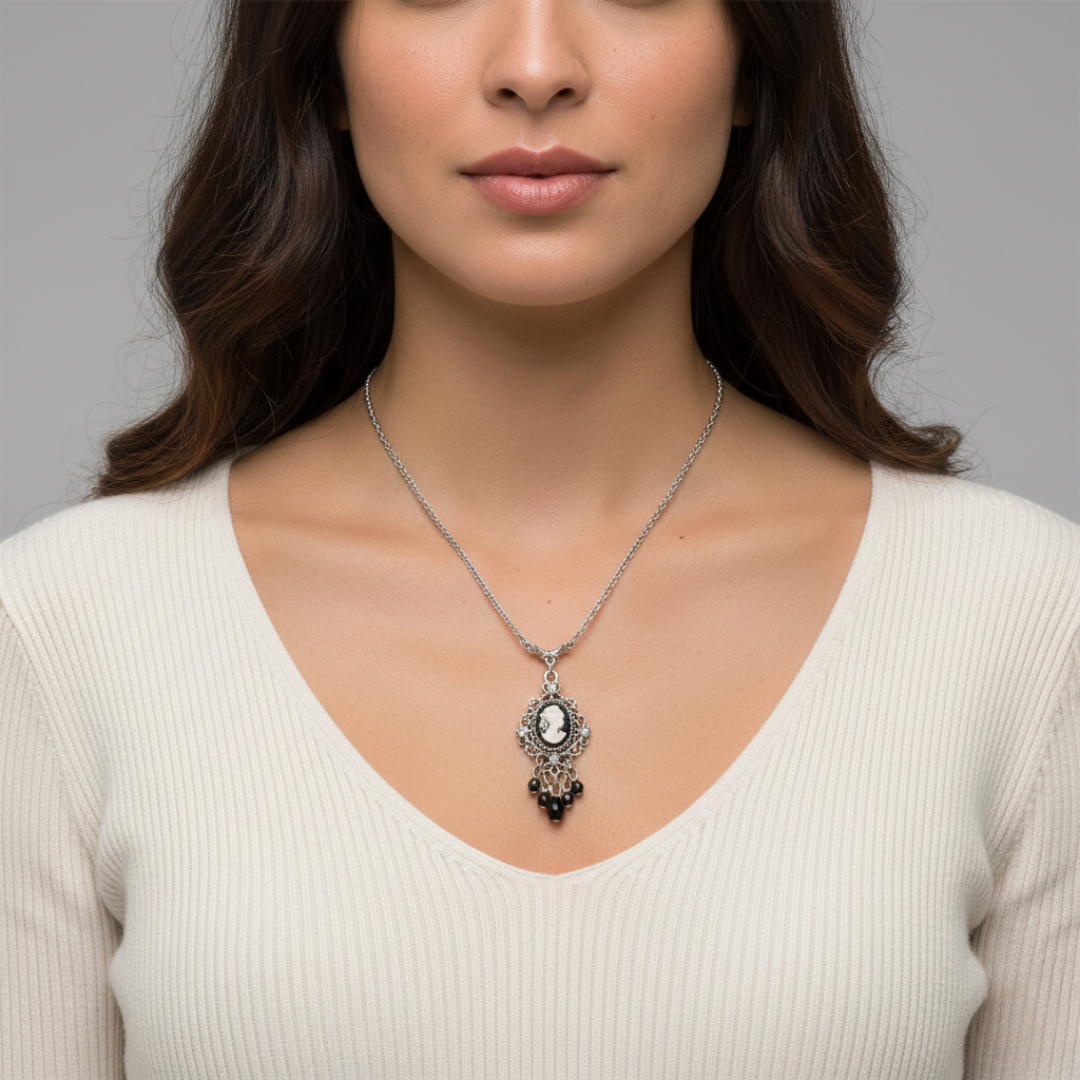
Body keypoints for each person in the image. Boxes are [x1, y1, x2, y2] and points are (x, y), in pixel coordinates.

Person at [2, 0, 1077, 1075]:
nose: (534, 67)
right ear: (319, 62)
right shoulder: (63, 631)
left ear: (758, 60)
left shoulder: (1021, 622)